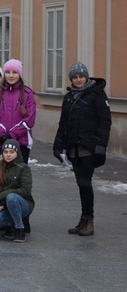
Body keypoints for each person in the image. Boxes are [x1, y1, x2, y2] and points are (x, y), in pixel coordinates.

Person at [53, 62, 112, 236]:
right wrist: (58, 146)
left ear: (86, 77)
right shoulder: (69, 97)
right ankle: (84, 219)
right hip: (74, 148)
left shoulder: (97, 95)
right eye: (75, 77)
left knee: (85, 183)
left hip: (89, 148)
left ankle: (89, 220)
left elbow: (105, 122)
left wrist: (101, 144)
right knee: (81, 184)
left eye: (81, 76)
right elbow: (63, 124)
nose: (78, 80)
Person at [0, 59, 36, 162]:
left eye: (14, 72)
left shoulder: (28, 94)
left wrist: (12, 134)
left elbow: (30, 119)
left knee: (18, 175)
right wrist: (1, 134)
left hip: (21, 143)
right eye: (8, 72)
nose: (11, 75)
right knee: (1, 175)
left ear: (20, 74)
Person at [0, 139, 34, 243]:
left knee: (11, 197)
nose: (8, 155)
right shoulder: (0, 167)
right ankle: (10, 226)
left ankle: (19, 229)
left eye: (12, 152)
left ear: (17, 153)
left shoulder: (23, 168)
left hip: (23, 204)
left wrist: (0, 196)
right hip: (5, 204)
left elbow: (25, 190)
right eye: (6, 152)